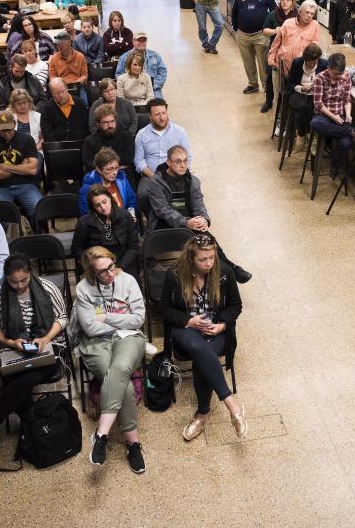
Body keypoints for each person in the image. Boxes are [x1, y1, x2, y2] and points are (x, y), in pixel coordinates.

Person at [0, 253, 69, 454]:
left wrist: (45, 339)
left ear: (31, 274)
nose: (20, 285)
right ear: (5, 278)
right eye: (13, 282)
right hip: (13, 347)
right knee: (18, 375)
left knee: (24, 376)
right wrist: (11, 342)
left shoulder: (47, 288)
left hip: (48, 344)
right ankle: (32, 429)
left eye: (24, 280)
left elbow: (62, 317)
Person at [159, 234, 247, 441]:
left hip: (215, 329)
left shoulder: (224, 272)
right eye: (202, 259)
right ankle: (232, 406)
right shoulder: (174, 274)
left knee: (202, 357)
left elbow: (236, 305)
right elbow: (165, 309)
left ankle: (202, 414)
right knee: (197, 347)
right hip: (186, 329)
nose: (208, 263)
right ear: (191, 258)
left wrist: (222, 325)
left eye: (212, 258)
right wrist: (190, 321)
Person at [68, 246, 147, 473]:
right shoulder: (84, 288)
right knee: (126, 387)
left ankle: (101, 434)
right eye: (102, 272)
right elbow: (90, 328)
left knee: (120, 368)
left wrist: (106, 316)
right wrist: (122, 317)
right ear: (93, 274)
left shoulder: (128, 280)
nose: (110, 273)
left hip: (129, 338)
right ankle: (133, 444)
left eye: (111, 265)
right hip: (96, 343)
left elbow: (138, 319)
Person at [147, 145, 252, 283]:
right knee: (201, 240)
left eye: (185, 160)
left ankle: (226, 272)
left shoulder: (193, 181)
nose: (183, 165)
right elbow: (163, 211)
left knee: (208, 240)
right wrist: (186, 222)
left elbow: (199, 205)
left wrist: (204, 220)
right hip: (163, 225)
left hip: (189, 224)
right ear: (168, 162)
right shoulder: (157, 182)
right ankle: (231, 270)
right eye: (178, 161)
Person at [0, 110, 43, 225]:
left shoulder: (27, 140)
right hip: (0, 188)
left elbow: (33, 170)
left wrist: (3, 166)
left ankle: (36, 236)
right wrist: (23, 167)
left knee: (38, 208)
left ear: (14, 124)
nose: (6, 133)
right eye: (2, 130)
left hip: (26, 185)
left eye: (9, 129)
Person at [134, 98, 190, 216]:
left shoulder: (180, 132)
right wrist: (153, 176)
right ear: (150, 116)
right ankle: (151, 219)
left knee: (189, 191)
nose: (162, 117)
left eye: (164, 113)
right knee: (142, 194)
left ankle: (181, 217)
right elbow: (139, 161)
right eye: (157, 114)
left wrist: (179, 173)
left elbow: (188, 156)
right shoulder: (141, 134)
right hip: (150, 175)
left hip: (175, 174)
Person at [72, 185, 138, 277]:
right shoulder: (84, 222)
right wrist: (96, 266)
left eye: (104, 202)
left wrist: (121, 267)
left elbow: (133, 247)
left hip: (123, 262)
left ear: (110, 198)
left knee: (131, 282)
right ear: (93, 207)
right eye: (97, 205)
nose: (103, 207)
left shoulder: (125, 215)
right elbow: (77, 251)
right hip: (97, 266)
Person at [310, 52, 355, 179]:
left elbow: (347, 99)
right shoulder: (320, 78)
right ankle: (349, 131)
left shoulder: (346, 76)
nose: (339, 76)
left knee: (346, 144)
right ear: (328, 68)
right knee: (315, 124)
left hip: (339, 116)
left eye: (340, 73)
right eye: (335, 74)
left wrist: (348, 115)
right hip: (324, 116)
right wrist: (333, 117)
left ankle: (335, 165)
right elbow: (318, 104)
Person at [232, 0, 276, 95]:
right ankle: (252, 84)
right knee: (248, 62)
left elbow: (274, 12)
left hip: (261, 35)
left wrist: (271, 29)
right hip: (243, 35)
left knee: (263, 64)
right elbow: (234, 12)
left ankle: (266, 87)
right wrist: (236, 29)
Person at [268, 0, 320, 98]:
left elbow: (315, 48)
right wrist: (271, 60)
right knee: (279, 97)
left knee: (294, 98)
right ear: (300, 11)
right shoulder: (288, 23)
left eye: (312, 14)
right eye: (307, 12)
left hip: (300, 71)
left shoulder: (315, 25)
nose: (309, 16)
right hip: (281, 68)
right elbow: (276, 43)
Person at [259, 0, 297, 113]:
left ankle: (287, 103)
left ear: (292, 2)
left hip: (291, 52)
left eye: (288, 0)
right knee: (270, 77)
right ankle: (269, 101)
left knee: (289, 77)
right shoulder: (273, 14)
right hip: (274, 51)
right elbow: (264, 30)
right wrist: (276, 31)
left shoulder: (297, 16)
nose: (285, 2)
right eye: (283, 0)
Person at [78, 147, 137, 217]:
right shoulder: (88, 188)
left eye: (117, 168)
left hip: (124, 221)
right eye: (109, 169)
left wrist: (131, 213)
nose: (115, 172)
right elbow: (87, 215)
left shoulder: (122, 179)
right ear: (99, 169)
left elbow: (131, 201)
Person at [284, 44, 327, 138]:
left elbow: (326, 83)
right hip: (297, 92)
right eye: (309, 62)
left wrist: (318, 87)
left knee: (311, 107)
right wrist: (301, 88)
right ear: (304, 59)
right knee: (303, 106)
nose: (312, 65)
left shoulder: (324, 64)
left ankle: (301, 135)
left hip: (315, 94)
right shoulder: (297, 62)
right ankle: (309, 135)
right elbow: (290, 83)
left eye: (314, 62)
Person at [82, 105, 135, 175]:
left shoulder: (126, 136)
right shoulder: (89, 141)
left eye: (112, 121)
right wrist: (117, 166)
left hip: (124, 175)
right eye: (105, 122)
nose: (110, 125)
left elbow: (128, 159)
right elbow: (89, 166)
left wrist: (102, 165)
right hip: (100, 177)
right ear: (98, 124)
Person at [115, 32, 167, 99]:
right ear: (133, 41)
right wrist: (129, 87)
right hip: (131, 89)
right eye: (139, 40)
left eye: (144, 40)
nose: (142, 42)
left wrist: (154, 85)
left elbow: (163, 72)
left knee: (159, 104)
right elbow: (119, 75)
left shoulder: (155, 56)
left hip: (153, 87)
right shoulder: (124, 57)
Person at [41, 77, 90, 142]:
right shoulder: (47, 109)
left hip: (80, 144)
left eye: (63, 91)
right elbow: (48, 135)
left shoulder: (80, 103)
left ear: (67, 89)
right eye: (57, 93)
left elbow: (86, 127)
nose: (61, 96)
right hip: (57, 148)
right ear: (52, 93)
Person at [48, 31, 89, 104]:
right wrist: (61, 86)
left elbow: (84, 76)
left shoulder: (80, 56)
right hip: (60, 87)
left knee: (83, 103)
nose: (59, 46)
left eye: (61, 43)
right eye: (58, 44)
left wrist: (74, 84)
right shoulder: (54, 59)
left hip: (77, 86)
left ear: (69, 42)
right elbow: (52, 78)